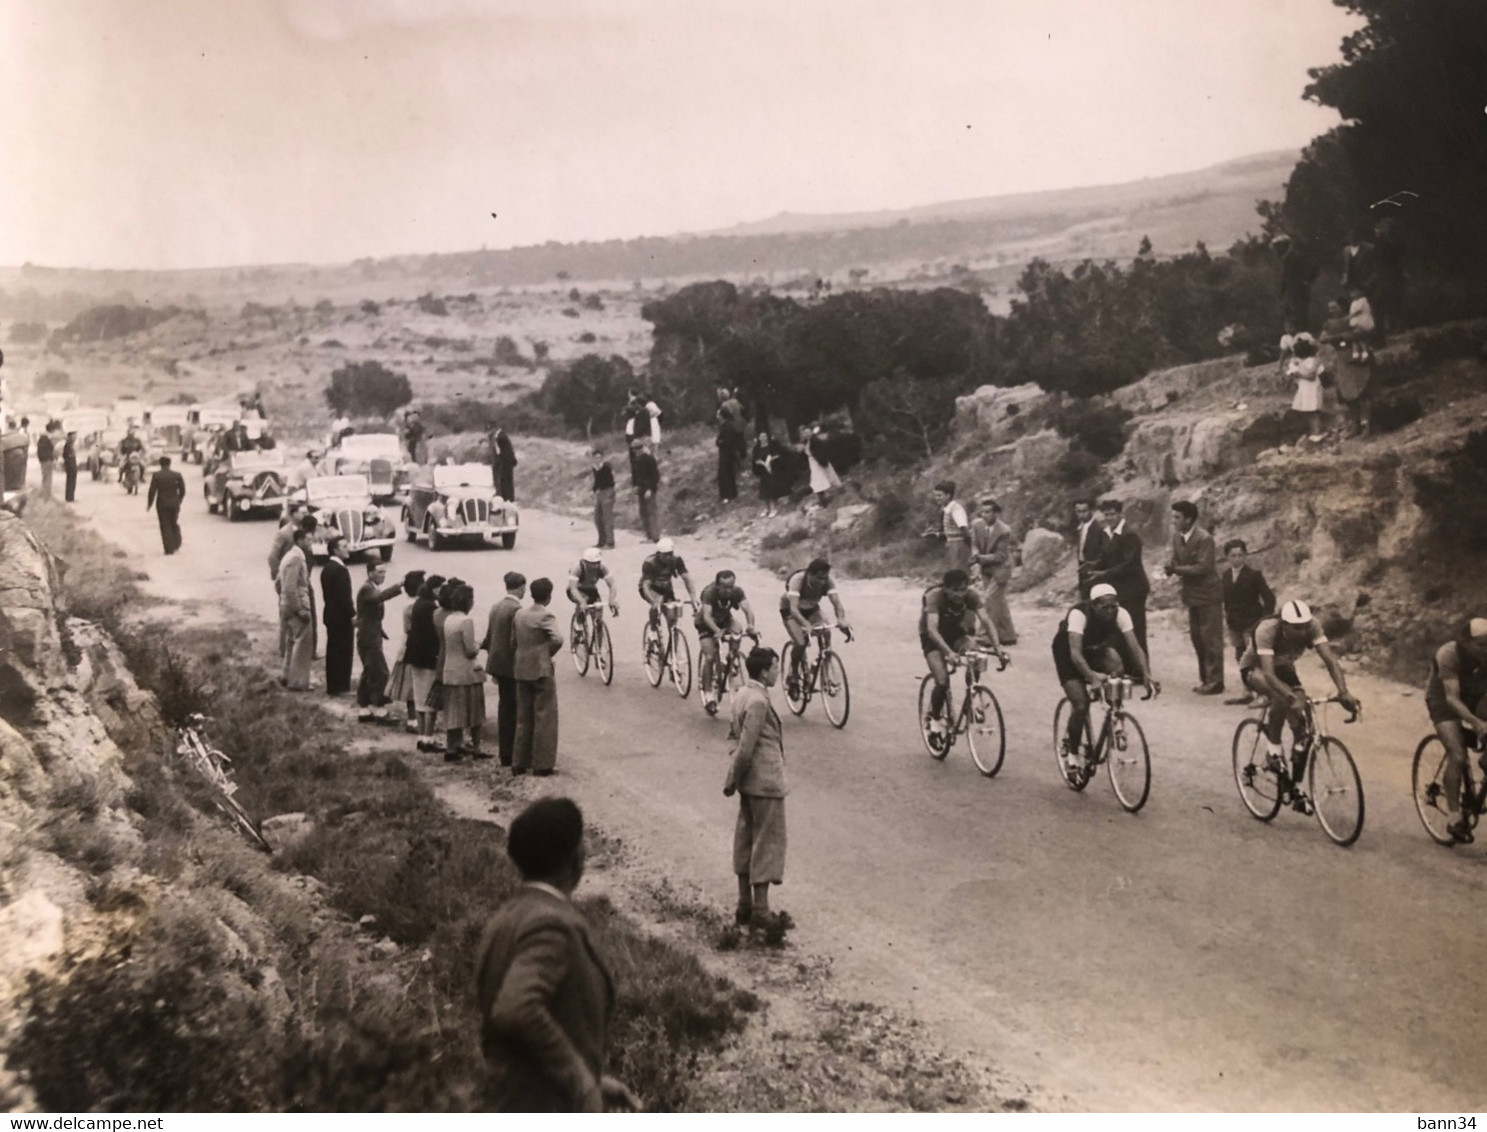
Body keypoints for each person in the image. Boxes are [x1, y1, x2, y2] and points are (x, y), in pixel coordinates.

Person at [474, 797, 637, 1113]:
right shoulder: (551, 924)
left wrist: (596, 1079)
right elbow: (515, 1008)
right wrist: (580, 1081)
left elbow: (516, 1040)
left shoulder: (505, 917)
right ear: (574, 857)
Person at [1238, 599, 1360, 807]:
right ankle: (1273, 751)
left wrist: (1343, 692)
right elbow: (1268, 675)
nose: (1302, 632)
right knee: (1282, 699)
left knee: (1303, 731)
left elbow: (1330, 660)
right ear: (1283, 624)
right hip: (1256, 668)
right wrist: (1291, 698)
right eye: (1296, 628)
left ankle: (1296, 788)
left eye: (1304, 627)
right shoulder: (1267, 629)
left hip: (1284, 667)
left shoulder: (1312, 625)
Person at [1053, 583, 1159, 775]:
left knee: (1116, 663)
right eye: (1105, 607)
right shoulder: (1079, 614)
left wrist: (1146, 675)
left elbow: (1134, 647)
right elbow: (1075, 654)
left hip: (1093, 649)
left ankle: (1115, 712)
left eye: (1114, 606)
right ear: (1093, 605)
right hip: (1067, 653)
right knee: (1080, 704)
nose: (1111, 611)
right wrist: (1092, 678)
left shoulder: (1121, 614)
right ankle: (1072, 753)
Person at [724, 647, 789, 931]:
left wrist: (737, 777)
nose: (778, 671)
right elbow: (747, 747)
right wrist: (731, 777)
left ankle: (744, 904)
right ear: (764, 671)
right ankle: (761, 910)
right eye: (776, 667)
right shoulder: (759, 701)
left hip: (750, 785)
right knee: (767, 843)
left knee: (746, 839)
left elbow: (733, 739)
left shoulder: (741, 695)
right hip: (765, 783)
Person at [920, 569, 1007, 747]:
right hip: (932, 638)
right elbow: (932, 630)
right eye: (956, 590)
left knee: (976, 656)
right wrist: (949, 653)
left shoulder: (971, 596)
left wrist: (998, 648)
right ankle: (934, 720)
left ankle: (972, 696)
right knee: (942, 681)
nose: (961, 594)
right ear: (946, 589)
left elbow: (986, 621)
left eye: (963, 589)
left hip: (954, 633)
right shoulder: (935, 598)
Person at [1424, 618, 1487, 844]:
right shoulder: (1448, 654)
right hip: (1443, 700)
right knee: (1458, 755)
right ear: (1466, 643)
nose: (1485, 650)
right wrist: (1478, 724)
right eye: (1481, 645)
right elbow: (1452, 698)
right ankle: (1454, 817)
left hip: (1477, 696)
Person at [1163, 501, 1225, 695]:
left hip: (1208, 594)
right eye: (1173, 517)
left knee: (1211, 639)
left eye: (1177, 517)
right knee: (1198, 638)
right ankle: (1206, 679)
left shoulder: (1204, 538)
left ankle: (1216, 682)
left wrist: (1176, 569)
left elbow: (1203, 567)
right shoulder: (1177, 537)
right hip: (1192, 596)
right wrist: (1169, 566)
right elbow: (1176, 559)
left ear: (1188, 519)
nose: (1173, 521)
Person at [513, 577, 564, 777]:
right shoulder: (546, 615)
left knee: (523, 716)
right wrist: (545, 654)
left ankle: (519, 761)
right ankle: (542, 764)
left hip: (521, 667)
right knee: (545, 716)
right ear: (549, 596)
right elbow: (557, 639)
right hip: (541, 670)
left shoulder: (519, 614)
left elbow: (513, 641)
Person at [1085, 500, 1149, 655]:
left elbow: (1130, 564)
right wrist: (1093, 566)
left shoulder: (1129, 535)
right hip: (1118, 590)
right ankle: (1126, 669)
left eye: (1112, 514)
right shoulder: (1107, 533)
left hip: (1133, 589)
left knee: (1135, 630)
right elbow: (1105, 557)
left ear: (1120, 514)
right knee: (1119, 630)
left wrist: (1104, 573)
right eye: (1106, 514)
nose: (1109, 518)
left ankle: (1141, 673)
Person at [779, 557, 851, 693]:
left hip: (811, 609)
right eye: (819, 578)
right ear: (810, 574)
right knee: (800, 643)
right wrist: (806, 625)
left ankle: (825, 668)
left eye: (825, 578)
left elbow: (836, 602)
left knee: (826, 632)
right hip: (790, 610)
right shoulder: (798, 580)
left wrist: (841, 619)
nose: (822, 581)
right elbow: (793, 609)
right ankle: (793, 675)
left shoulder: (827, 581)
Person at [1220, 539, 1276, 706]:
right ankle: (1247, 691)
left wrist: (1264, 621)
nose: (1237, 559)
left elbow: (1269, 599)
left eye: (1240, 555)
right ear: (1227, 557)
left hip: (1252, 623)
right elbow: (1226, 600)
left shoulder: (1254, 575)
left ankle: (1264, 694)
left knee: (1256, 658)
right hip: (1234, 624)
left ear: (1245, 556)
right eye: (1233, 555)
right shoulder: (1225, 576)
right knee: (1240, 657)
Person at [696, 569, 759, 715]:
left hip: (725, 620)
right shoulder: (709, 593)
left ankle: (731, 658)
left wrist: (751, 626)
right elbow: (706, 616)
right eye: (725, 587)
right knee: (710, 656)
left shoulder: (737, 592)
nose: (728, 590)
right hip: (706, 624)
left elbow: (747, 609)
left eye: (731, 586)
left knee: (738, 630)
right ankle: (708, 694)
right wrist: (717, 631)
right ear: (717, 586)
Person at [483, 572, 526, 768]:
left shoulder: (496, 606)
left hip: (497, 663)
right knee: (514, 709)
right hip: (511, 666)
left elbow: (490, 636)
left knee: (504, 708)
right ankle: (511, 754)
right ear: (521, 587)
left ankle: (504, 753)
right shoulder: (516, 609)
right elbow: (516, 641)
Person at [441, 583, 487, 762]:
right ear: (468, 602)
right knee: (474, 710)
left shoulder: (449, 619)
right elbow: (469, 650)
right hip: (466, 672)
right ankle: (476, 747)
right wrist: (480, 644)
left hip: (450, 669)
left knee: (453, 710)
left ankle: (452, 746)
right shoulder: (466, 621)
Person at [355, 560, 406, 721]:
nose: (383, 575)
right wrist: (399, 585)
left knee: (370, 670)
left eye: (384, 572)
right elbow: (378, 598)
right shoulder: (367, 589)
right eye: (379, 572)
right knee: (380, 672)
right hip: (369, 637)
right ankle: (379, 709)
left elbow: (369, 614)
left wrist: (380, 630)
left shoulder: (371, 588)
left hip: (369, 634)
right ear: (370, 573)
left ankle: (365, 708)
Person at [404, 574, 446, 749]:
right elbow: (434, 635)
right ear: (435, 589)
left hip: (414, 656)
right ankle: (429, 738)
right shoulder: (432, 608)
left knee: (420, 699)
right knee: (430, 702)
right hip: (428, 658)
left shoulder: (419, 603)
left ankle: (421, 737)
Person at [970, 497, 1017, 645]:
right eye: (982, 512)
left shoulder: (1004, 530)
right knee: (999, 602)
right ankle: (1008, 635)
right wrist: (975, 554)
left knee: (990, 600)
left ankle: (985, 636)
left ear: (996, 513)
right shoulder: (977, 526)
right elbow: (975, 544)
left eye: (988, 512)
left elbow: (1000, 556)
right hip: (987, 569)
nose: (984, 515)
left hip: (1001, 569)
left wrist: (979, 558)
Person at [384, 569, 426, 733]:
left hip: (408, 646)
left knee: (412, 686)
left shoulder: (410, 605)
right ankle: (413, 720)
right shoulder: (414, 606)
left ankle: (414, 719)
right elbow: (410, 629)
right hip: (413, 647)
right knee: (412, 686)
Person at [278, 526, 317, 691]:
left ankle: (286, 676)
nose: (311, 542)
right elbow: (290, 587)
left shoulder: (289, 555)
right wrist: (299, 609)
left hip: (286, 605)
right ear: (300, 540)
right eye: (308, 540)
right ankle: (298, 682)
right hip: (297, 605)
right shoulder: (296, 558)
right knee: (302, 643)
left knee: (291, 642)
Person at [639, 538, 697, 641]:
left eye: (670, 554)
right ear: (658, 554)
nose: (668, 557)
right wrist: (653, 602)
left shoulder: (676, 560)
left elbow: (687, 579)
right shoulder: (649, 562)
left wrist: (693, 597)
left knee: (672, 619)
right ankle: (652, 631)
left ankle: (674, 652)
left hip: (666, 589)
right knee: (657, 602)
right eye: (665, 554)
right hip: (650, 588)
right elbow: (646, 586)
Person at [320, 535, 355, 696]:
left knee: (333, 650)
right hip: (341, 617)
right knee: (343, 651)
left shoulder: (328, 568)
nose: (348, 548)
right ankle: (340, 686)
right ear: (335, 550)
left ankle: (334, 685)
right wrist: (353, 615)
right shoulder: (340, 570)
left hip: (331, 615)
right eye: (344, 546)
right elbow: (344, 597)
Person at [145, 455, 188, 555]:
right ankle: (177, 542)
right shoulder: (177, 475)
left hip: (162, 503)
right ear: (170, 464)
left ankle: (169, 548)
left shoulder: (157, 475)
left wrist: (149, 504)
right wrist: (179, 500)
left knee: (165, 525)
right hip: (174, 503)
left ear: (160, 464)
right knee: (174, 522)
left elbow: (152, 491)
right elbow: (183, 490)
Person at [567, 547, 619, 628]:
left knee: (598, 610)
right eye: (593, 563)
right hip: (576, 589)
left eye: (598, 562)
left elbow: (612, 585)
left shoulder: (602, 567)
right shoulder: (577, 568)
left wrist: (612, 599)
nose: (596, 565)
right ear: (585, 562)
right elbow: (573, 588)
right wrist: (581, 601)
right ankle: (578, 624)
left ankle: (598, 632)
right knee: (583, 601)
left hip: (591, 589)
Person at [1287, 333, 1324, 442]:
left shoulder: (1312, 361)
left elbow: (1311, 376)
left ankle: (1317, 432)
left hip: (1312, 389)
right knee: (1308, 411)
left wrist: (1299, 375)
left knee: (1313, 411)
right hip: (1304, 389)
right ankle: (1314, 430)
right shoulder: (1302, 361)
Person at [715, 387, 747, 504]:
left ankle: (738, 466)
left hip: (731, 427)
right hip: (739, 425)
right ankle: (741, 464)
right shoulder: (735, 401)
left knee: (731, 451)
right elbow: (743, 409)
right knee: (740, 446)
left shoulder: (724, 406)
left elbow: (725, 417)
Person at [930, 481, 972, 570]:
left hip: (959, 545)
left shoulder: (956, 509)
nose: (936, 498)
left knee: (959, 573)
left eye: (939, 495)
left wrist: (967, 547)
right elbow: (952, 530)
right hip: (952, 544)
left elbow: (964, 529)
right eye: (935, 495)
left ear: (948, 495)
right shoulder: (947, 509)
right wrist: (937, 534)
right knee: (954, 573)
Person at [751, 431, 787, 518]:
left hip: (773, 469)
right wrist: (759, 462)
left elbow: (778, 455)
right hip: (763, 471)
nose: (763, 438)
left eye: (764, 436)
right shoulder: (757, 448)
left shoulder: (771, 445)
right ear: (759, 438)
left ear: (767, 437)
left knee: (773, 488)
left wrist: (771, 459)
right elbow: (755, 459)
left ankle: (774, 508)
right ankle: (767, 508)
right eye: (761, 436)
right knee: (764, 490)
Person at [632, 439, 661, 542]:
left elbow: (655, 476)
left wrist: (650, 489)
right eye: (635, 448)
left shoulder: (649, 459)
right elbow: (635, 475)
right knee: (643, 513)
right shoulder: (636, 460)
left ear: (643, 447)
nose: (637, 450)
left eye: (639, 447)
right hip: (640, 489)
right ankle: (648, 536)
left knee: (651, 512)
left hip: (649, 489)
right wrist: (635, 485)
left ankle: (655, 537)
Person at [589, 449, 616, 548]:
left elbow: (608, 480)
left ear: (602, 458)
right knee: (597, 518)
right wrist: (593, 490)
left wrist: (599, 469)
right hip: (600, 492)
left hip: (608, 491)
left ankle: (610, 542)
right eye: (595, 458)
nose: (598, 459)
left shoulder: (606, 466)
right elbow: (597, 481)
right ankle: (602, 541)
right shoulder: (595, 468)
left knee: (607, 517)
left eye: (599, 457)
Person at [488, 427, 517, 502]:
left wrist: (498, 463)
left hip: (505, 462)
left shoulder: (500, 437)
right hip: (506, 461)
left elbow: (501, 452)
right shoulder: (500, 436)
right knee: (506, 480)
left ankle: (505, 497)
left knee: (504, 479)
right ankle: (506, 496)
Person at [34, 425, 55, 499]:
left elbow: (39, 450)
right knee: (48, 477)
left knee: (45, 477)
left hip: (43, 460)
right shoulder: (48, 438)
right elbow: (51, 448)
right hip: (47, 459)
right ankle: (47, 494)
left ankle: (45, 493)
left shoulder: (41, 438)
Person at [61, 430, 78, 503]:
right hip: (70, 466)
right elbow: (66, 456)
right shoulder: (67, 445)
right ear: (70, 437)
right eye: (74, 436)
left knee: (72, 481)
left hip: (72, 465)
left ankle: (71, 496)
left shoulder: (71, 445)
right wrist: (70, 464)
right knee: (70, 481)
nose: (75, 438)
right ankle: (69, 497)